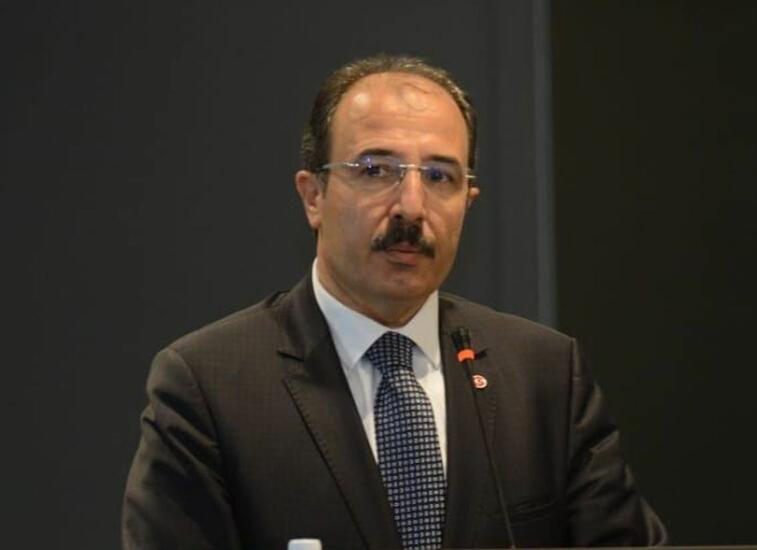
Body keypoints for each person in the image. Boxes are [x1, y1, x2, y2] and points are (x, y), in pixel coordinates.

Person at [122, 54, 667, 550]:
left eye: (439, 176)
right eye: (375, 170)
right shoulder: (209, 387)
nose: (411, 206)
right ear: (313, 195)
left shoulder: (543, 375)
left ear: (467, 201)